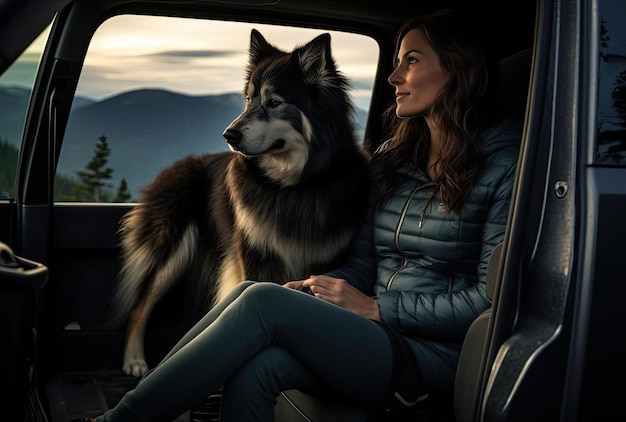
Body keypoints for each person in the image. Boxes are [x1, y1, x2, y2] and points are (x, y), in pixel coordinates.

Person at [73, 8, 521, 422]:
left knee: (260, 299)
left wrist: (377, 307)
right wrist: (313, 290)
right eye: (397, 60)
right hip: (376, 335)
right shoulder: (394, 160)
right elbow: (367, 262)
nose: (394, 75)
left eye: (411, 61)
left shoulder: (505, 166)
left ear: (456, 70)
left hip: (433, 360)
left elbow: (487, 302)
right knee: (259, 362)